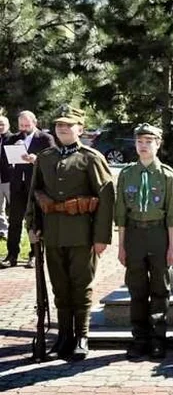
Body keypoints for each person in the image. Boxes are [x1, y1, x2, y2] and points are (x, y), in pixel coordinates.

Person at [26, 106, 114, 360]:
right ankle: (64, 336)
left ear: (80, 128)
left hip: (81, 233)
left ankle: (81, 337)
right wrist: (32, 226)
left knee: (81, 286)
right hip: (53, 233)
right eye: (59, 125)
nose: (63, 129)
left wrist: (101, 237)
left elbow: (106, 198)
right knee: (60, 287)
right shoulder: (45, 157)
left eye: (68, 125)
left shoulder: (91, 158)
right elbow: (35, 194)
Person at [115, 123, 173, 360]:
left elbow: (172, 213)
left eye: (149, 142)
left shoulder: (167, 175)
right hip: (134, 235)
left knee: (160, 288)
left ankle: (157, 339)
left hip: (158, 234)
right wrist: (121, 246)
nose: (143, 146)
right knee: (137, 288)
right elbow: (121, 212)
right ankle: (139, 339)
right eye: (139, 142)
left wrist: (172, 246)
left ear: (158, 144)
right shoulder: (127, 174)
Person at [2, 111, 54, 268]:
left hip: (36, 185)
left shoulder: (45, 138)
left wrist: (36, 159)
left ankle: (35, 255)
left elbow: (53, 159)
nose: (24, 128)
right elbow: (4, 159)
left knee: (34, 221)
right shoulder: (13, 138)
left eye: (27, 125)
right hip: (17, 184)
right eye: (21, 125)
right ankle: (12, 255)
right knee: (14, 221)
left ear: (35, 123)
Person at [0, 116, 12, 240]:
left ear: (8, 125)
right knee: (0, 208)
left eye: (2, 124)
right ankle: (3, 231)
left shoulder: (13, 139)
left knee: (14, 207)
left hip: (10, 179)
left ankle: (16, 231)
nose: (0, 127)